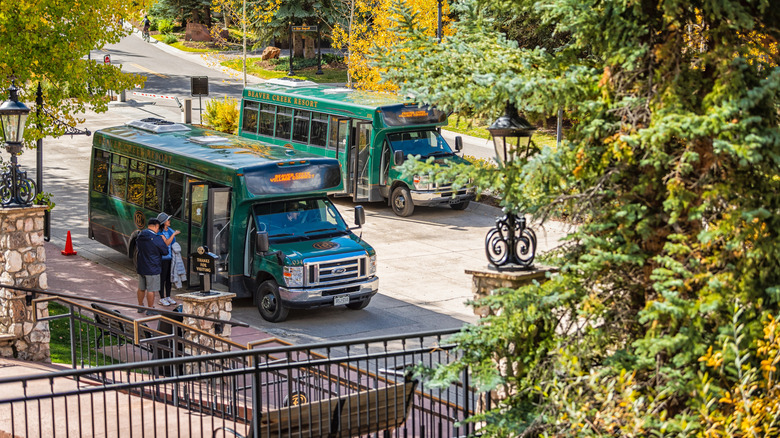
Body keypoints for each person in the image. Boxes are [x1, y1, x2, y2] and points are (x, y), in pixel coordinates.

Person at [136, 217, 169, 313]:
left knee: (141, 288)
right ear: (156, 226)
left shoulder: (140, 235)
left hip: (141, 266)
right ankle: (150, 309)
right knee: (151, 290)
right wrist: (163, 240)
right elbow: (165, 251)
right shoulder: (157, 238)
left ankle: (140, 306)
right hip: (152, 267)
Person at [156, 212, 181, 306]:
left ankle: (168, 296)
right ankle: (162, 298)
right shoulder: (159, 232)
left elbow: (172, 242)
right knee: (162, 278)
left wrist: (172, 234)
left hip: (170, 257)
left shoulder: (169, 230)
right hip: (162, 258)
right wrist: (173, 234)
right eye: (168, 220)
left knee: (169, 278)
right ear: (163, 222)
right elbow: (166, 243)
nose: (169, 221)